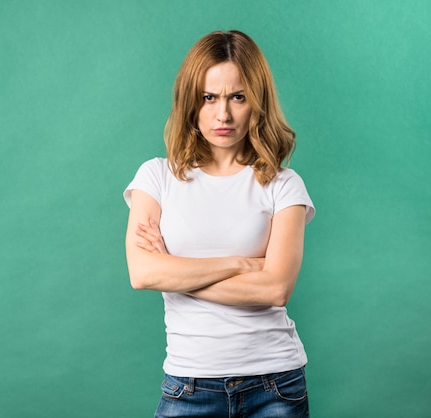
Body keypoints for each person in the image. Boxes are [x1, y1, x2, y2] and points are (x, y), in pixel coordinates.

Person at [123, 30, 315, 418]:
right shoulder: (157, 178)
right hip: (187, 385)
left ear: (256, 102)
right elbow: (143, 273)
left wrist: (176, 272)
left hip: (274, 385)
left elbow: (276, 288)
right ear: (191, 103)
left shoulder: (284, 185)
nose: (222, 114)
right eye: (209, 98)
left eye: (237, 97)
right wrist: (242, 264)